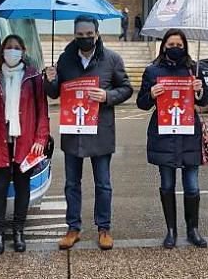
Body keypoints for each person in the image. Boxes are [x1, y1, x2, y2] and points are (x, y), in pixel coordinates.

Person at [44, 15, 133, 251]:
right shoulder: (65, 59)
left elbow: (126, 88)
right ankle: (73, 228)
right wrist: (49, 80)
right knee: (72, 184)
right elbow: (54, 93)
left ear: (97, 33)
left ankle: (104, 228)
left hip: (100, 132)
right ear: (75, 34)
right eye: (80, 35)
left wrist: (107, 96)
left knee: (103, 184)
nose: (85, 38)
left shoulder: (111, 59)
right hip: (73, 131)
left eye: (89, 34)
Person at [0, 35, 49, 255]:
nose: (12, 51)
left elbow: (42, 111)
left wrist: (40, 139)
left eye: (17, 48)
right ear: (2, 51)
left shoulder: (33, 77)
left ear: (23, 50)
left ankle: (18, 232)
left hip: (25, 141)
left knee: (22, 186)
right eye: (9, 47)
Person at [136, 29, 208, 249]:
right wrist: (151, 94)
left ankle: (193, 230)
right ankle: (170, 231)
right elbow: (141, 103)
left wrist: (199, 89)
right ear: (163, 46)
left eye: (179, 45)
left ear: (185, 47)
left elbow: (205, 100)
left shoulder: (193, 69)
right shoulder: (152, 70)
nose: (175, 48)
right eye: (171, 44)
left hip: (189, 135)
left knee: (192, 186)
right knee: (167, 184)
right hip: (164, 135)